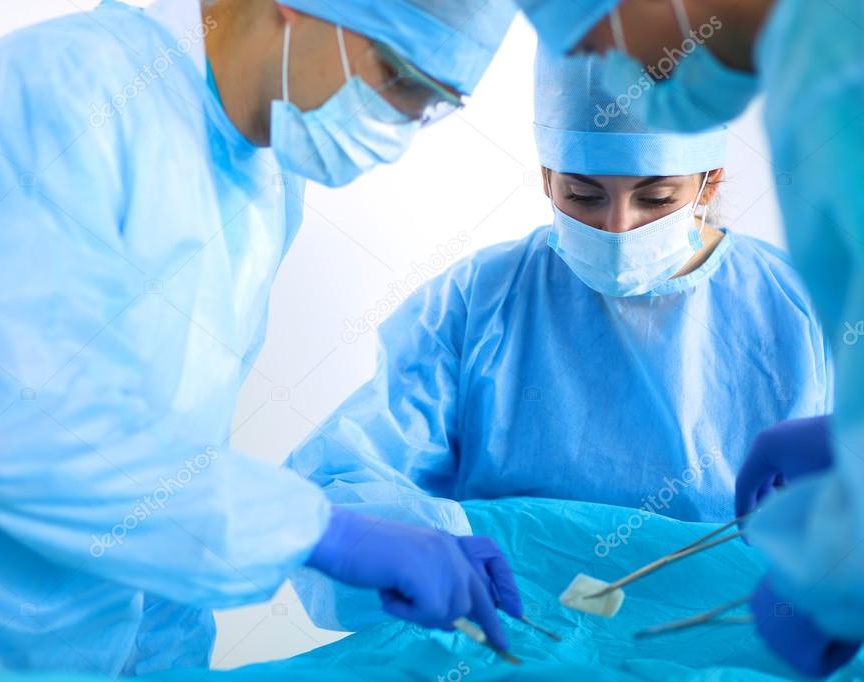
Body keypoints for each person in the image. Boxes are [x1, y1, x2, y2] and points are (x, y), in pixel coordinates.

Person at [0, 0, 522, 676]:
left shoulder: (262, 179)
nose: (403, 125)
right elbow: (26, 442)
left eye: (436, 105)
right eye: (403, 78)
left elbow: (167, 461)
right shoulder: (51, 94)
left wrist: (166, 660)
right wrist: (323, 533)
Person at [285, 45, 830, 632]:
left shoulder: (805, 310)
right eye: (583, 195)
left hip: (730, 649)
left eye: (656, 198)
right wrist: (421, 547)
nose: (618, 226)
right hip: (507, 644)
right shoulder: (478, 302)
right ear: (546, 178)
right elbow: (342, 480)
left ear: (708, 181)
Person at [516, 0, 864, 675]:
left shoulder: (835, 67)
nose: (601, 72)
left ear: (707, 184)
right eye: (583, 195)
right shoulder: (820, 60)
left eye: (592, 40)